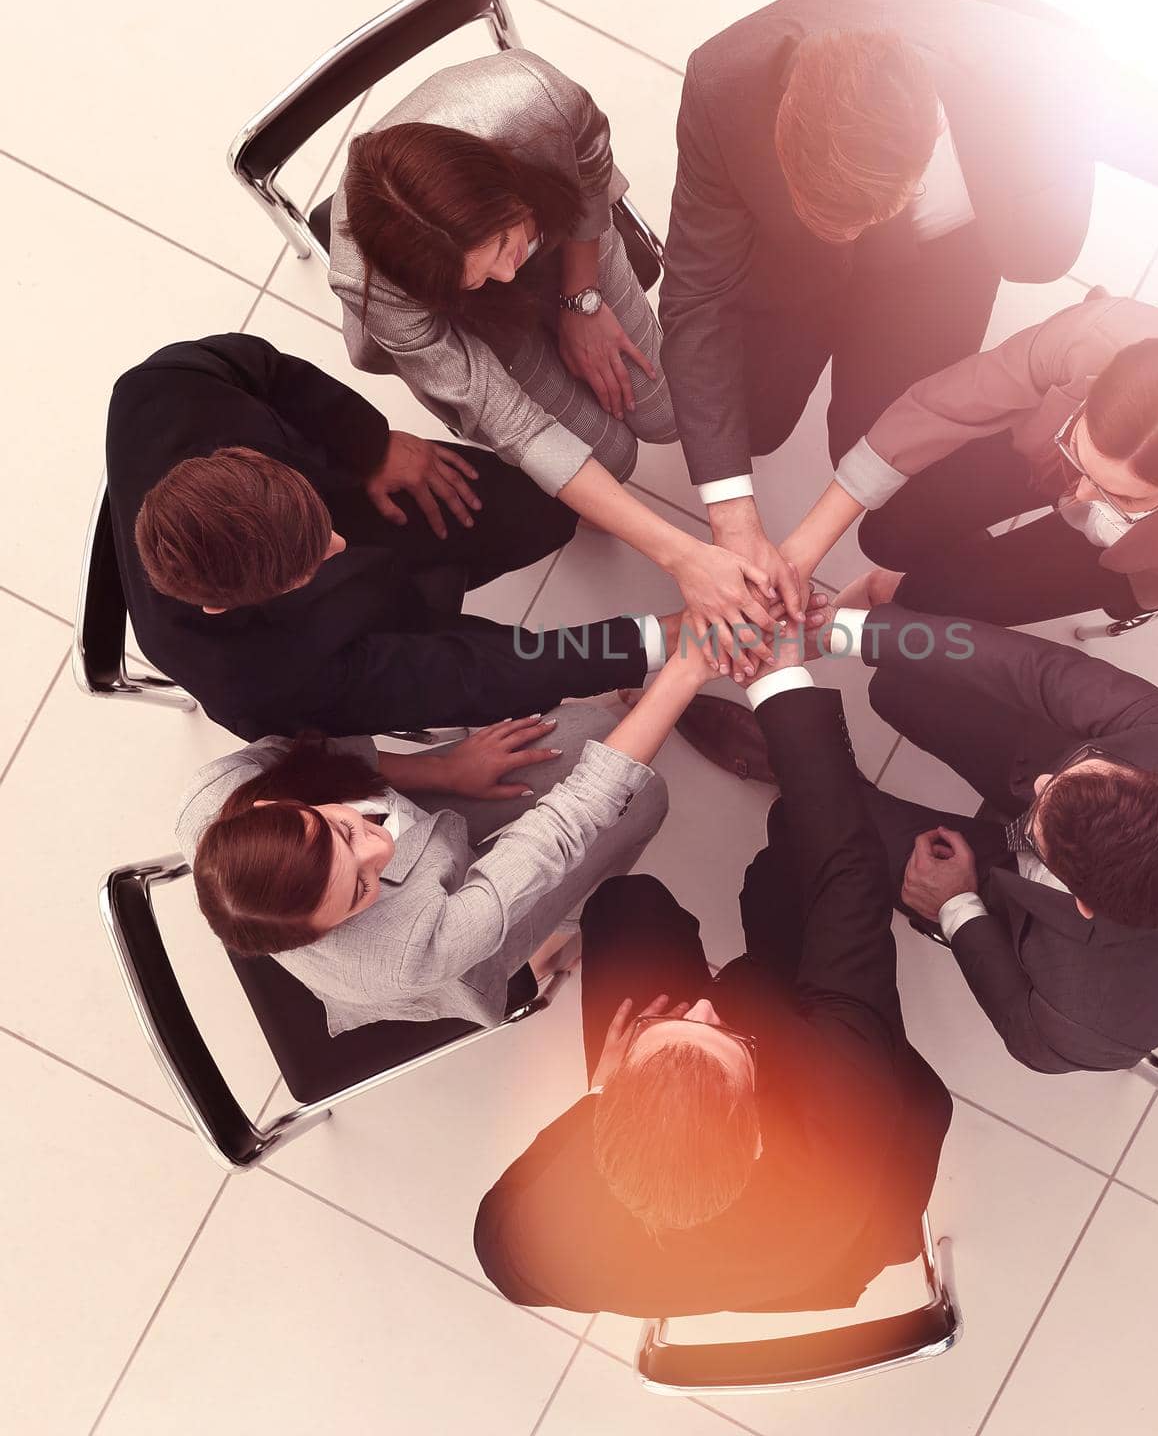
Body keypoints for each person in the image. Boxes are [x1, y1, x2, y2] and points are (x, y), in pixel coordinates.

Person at [659, 0, 1158, 605]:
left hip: (940, 261)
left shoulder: (1039, 76)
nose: (850, 233)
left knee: (885, 460)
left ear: (930, 131)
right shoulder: (728, 78)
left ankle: (936, 587)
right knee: (744, 422)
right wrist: (731, 518)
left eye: (866, 213)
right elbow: (696, 298)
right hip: (783, 268)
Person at [473, 645, 951, 1316]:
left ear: (614, 1110)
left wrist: (598, 1098)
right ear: (757, 1133)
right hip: (840, 1218)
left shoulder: (534, 1242)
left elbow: (502, 1252)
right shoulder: (843, 1099)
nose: (702, 1003)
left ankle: (690, 1061)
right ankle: (799, 810)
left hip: (754, 1251)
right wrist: (782, 682)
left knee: (624, 908)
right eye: (728, 1038)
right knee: (790, 910)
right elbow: (851, 882)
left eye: (664, 1032)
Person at [330, 51, 782, 653]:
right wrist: (682, 557)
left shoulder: (536, 101)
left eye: (499, 242)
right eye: (477, 272)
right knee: (609, 459)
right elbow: (514, 425)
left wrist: (581, 299)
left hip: (569, 246)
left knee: (666, 410)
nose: (503, 273)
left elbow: (591, 180)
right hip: (472, 330)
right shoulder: (373, 284)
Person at [107, 332, 718, 741]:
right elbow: (473, 671)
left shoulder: (159, 391)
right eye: (312, 560)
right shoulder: (255, 680)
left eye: (320, 531)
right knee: (520, 672)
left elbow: (261, 366)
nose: (339, 548)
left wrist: (368, 443)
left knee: (539, 508)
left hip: (364, 490)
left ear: (241, 458)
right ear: (221, 603)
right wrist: (652, 641)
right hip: (381, 632)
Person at [807, 598, 1158, 1073]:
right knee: (901, 683)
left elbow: (1020, 1023)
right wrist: (849, 630)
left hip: (1002, 901)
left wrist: (955, 906)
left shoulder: (1082, 1026)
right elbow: (1040, 670)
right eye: (1085, 772)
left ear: (1083, 904)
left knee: (824, 821)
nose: (1039, 785)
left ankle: (798, 770)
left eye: (1041, 817)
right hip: (1057, 783)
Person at [778, 291, 1158, 625]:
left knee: (939, 600)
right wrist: (799, 555)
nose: (1079, 499)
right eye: (1085, 456)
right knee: (887, 533)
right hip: (1046, 450)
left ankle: (913, 586)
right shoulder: (1086, 339)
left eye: (1124, 495)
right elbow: (940, 409)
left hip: (1138, 555)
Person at [176, 683, 683, 1034]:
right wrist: (682, 675)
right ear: (326, 932)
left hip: (419, 824)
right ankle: (551, 939)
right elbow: (565, 826)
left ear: (272, 806)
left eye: (341, 829)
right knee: (641, 802)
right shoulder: (409, 954)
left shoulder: (217, 793)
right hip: (458, 950)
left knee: (584, 729)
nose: (380, 846)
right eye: (359, 890)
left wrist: (448, 771)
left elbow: (322, 754)